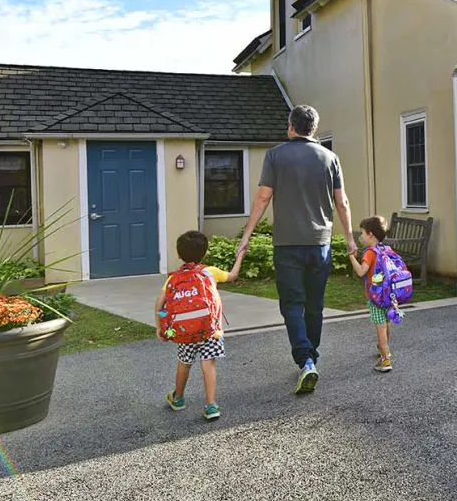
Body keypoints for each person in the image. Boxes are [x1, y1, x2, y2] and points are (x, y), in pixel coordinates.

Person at [233, 105, 356, 395]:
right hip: (320, 244)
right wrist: (350, 238)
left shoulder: (276, 155)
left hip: (287, 245)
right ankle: (310, 356)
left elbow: (263, 198)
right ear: (313, 128)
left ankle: (305, 360)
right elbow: (343, 203)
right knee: (314, 304)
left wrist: (246, 235)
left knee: (291, 304)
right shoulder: (331, 158)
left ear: (291, 126)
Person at [156, 230, 229, 421]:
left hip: (184, 330)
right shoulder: (209, 272)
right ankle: (211, 405)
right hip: (210, 330)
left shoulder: (174, 278)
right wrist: (240, 256)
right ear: (204, 253)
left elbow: (160, 303)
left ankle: (178, 398)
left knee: (184, 363)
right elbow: (232, 276)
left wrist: (160, 327)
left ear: (179, 254)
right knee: (208, 364)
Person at [349, 216, 401, 373]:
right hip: (390, 296)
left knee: (380, 328)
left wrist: (352, 256)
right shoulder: (387, 250)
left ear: (370, 234)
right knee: (386, 324)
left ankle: (385, 359)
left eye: (363, 233)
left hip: (376, 298)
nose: (361, 236)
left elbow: (360, 272)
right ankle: (386, 350)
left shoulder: (370, 253)